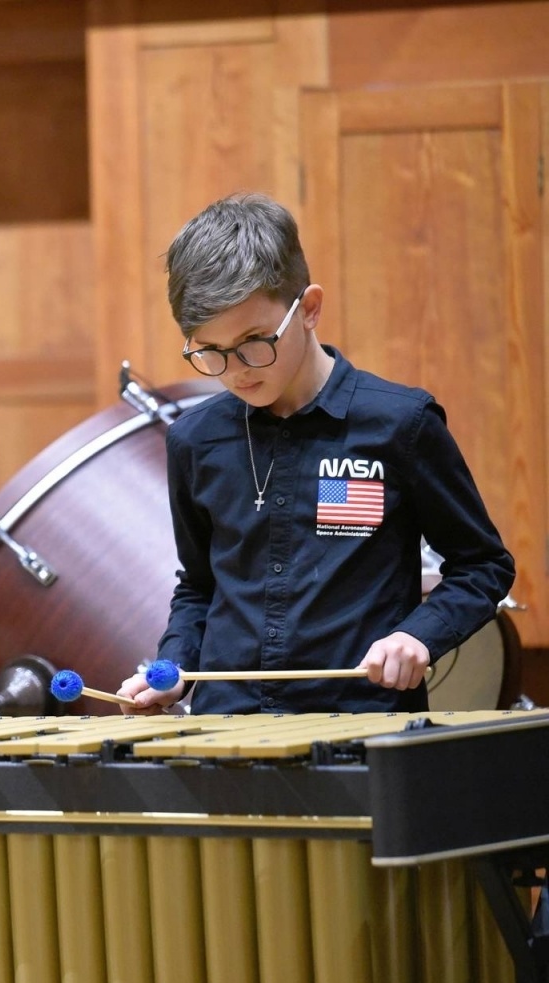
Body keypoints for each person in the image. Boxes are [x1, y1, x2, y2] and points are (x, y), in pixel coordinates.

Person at [118, 193, 514, 715]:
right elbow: (199, 586)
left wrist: (419, 635)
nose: (236, 370)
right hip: (226, 724)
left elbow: (482, 565)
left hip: (362, 722)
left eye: (254, 341)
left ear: (308, 309)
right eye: (209, 351)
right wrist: (172, 670)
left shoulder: (400, 424)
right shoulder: (195, 440)